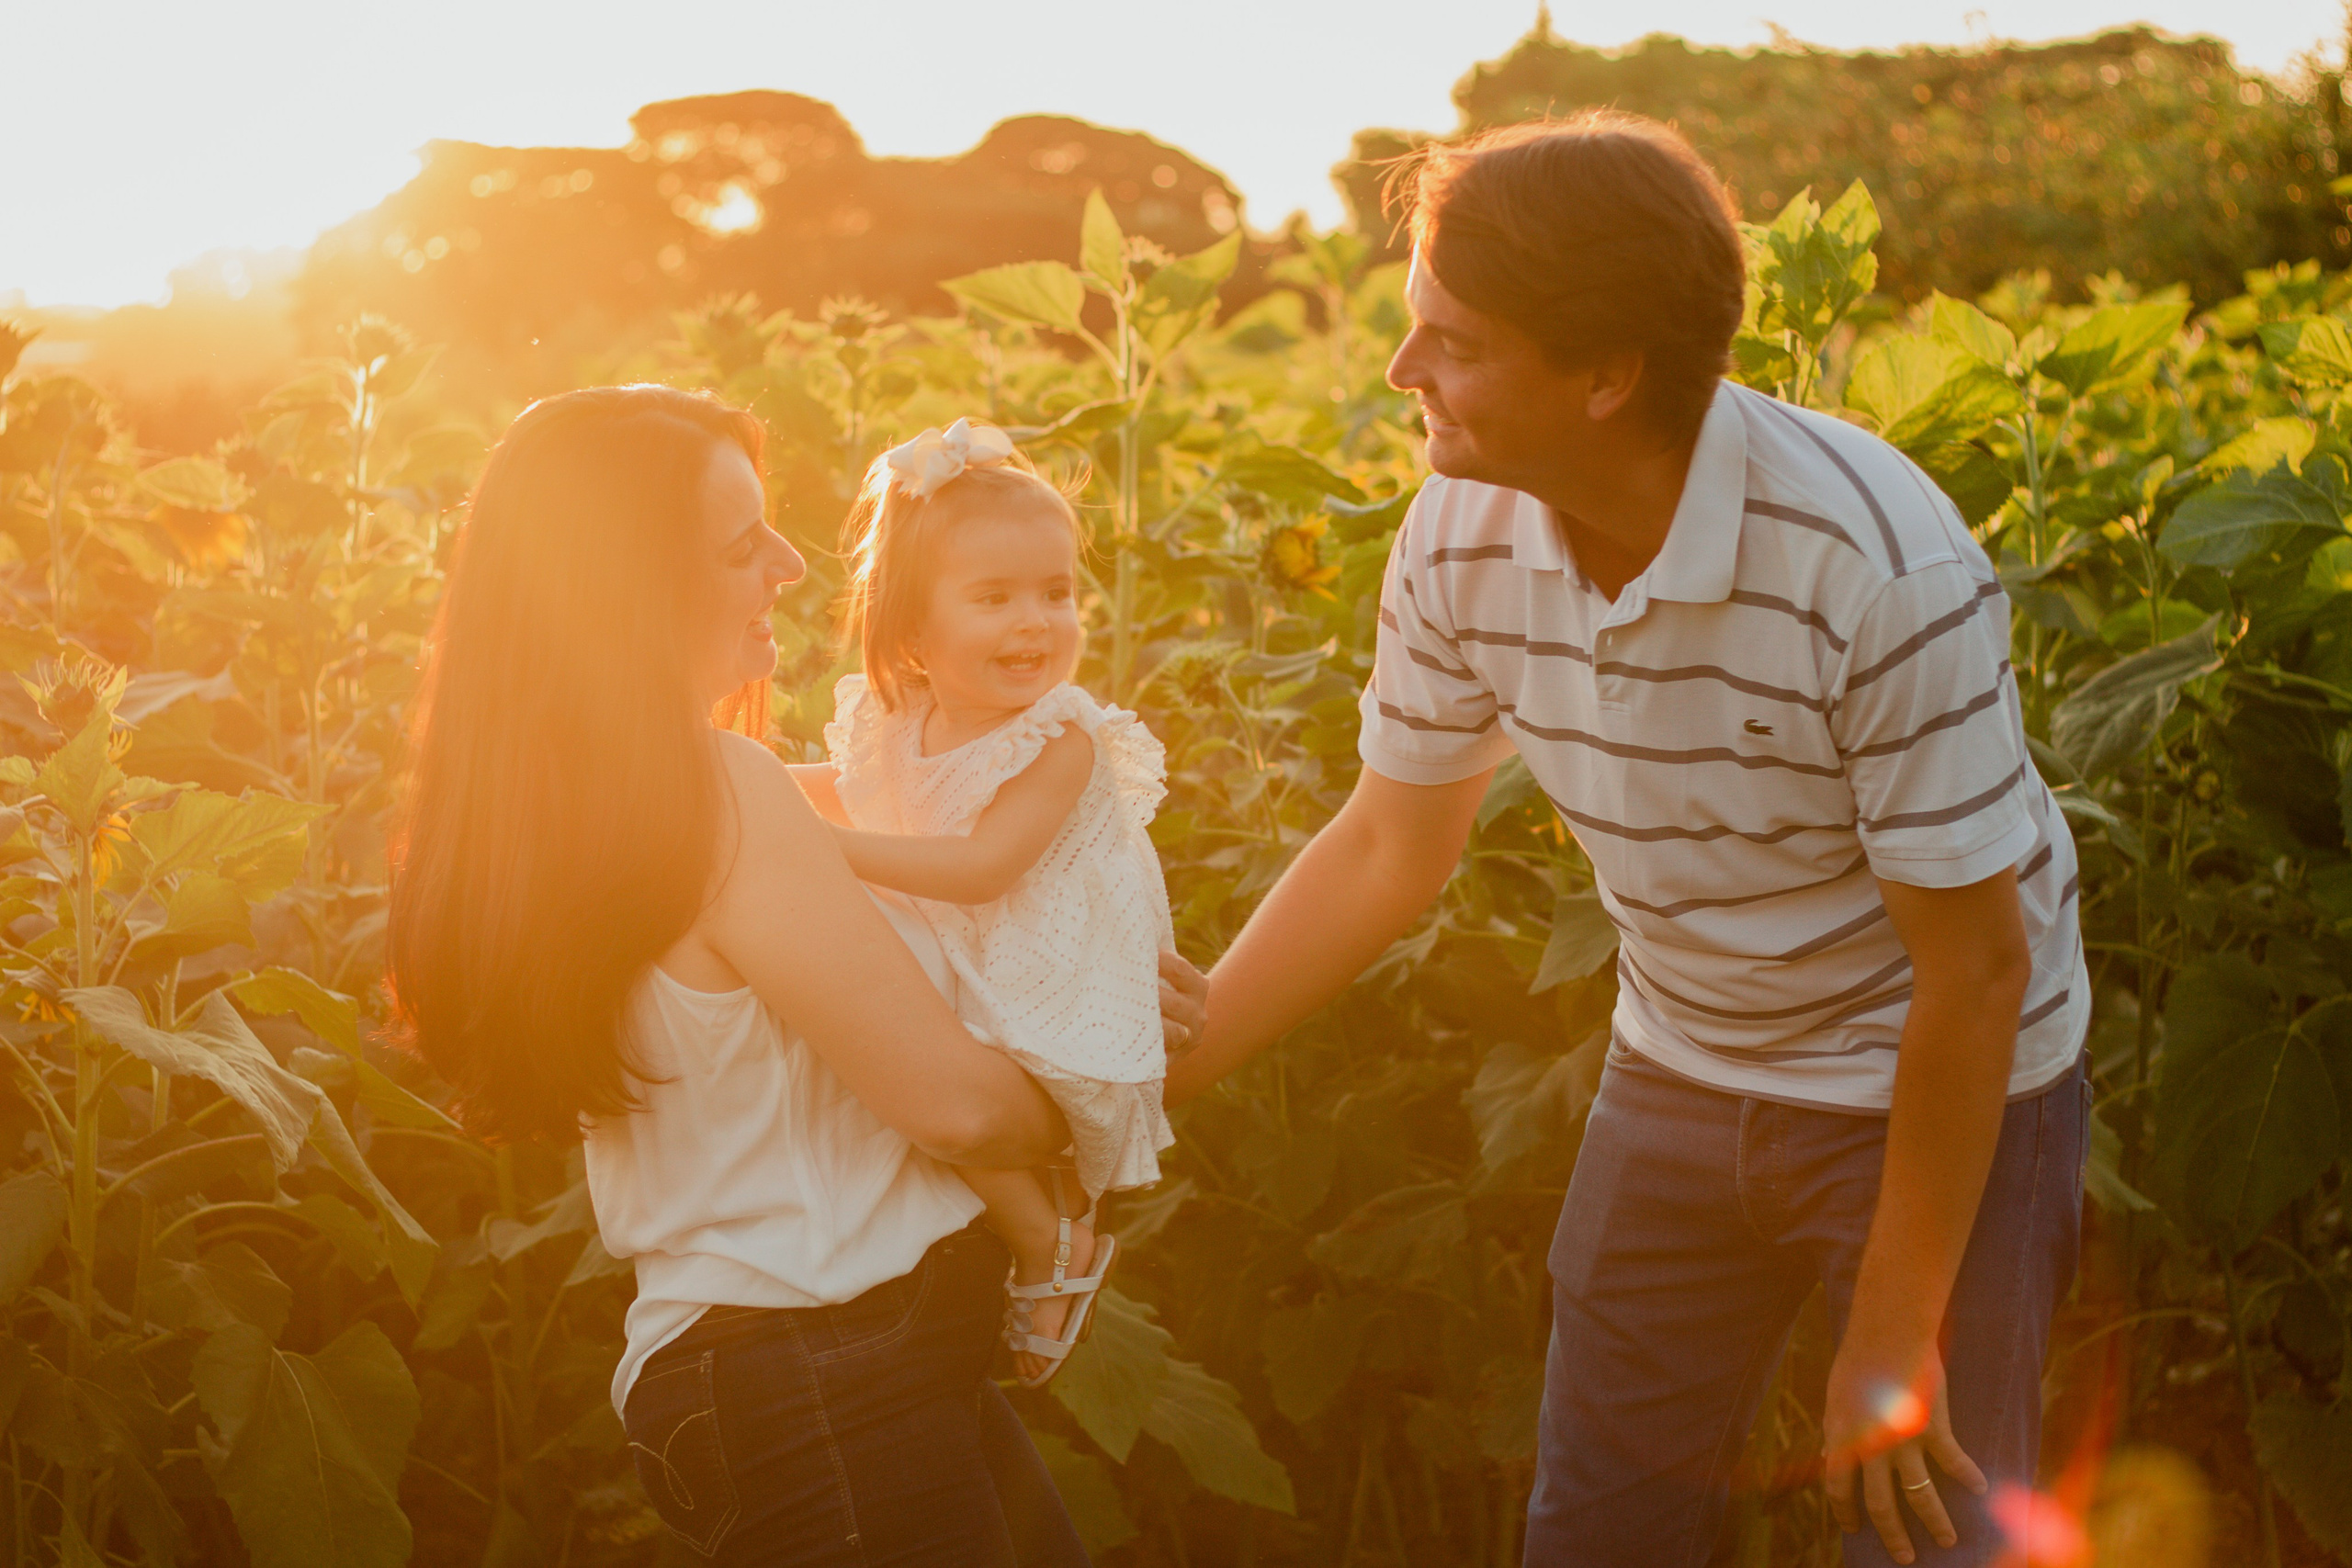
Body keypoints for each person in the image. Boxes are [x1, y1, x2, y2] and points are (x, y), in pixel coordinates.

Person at [1161, 113, 2088, 1568]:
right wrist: (1171, 1062)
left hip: (1938, 1081)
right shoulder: (1458, 532)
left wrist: (1893, 1332)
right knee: (1596, 1528)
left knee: (1926, 1530)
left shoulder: (1871, 561)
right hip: (1682, 1063)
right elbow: (1389, 847)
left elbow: (1973, 968)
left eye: (1452, 344)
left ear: (1607, 374)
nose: (1404, 374)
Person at [386, 384, 1188, 1566]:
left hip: (796, 1367)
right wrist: (1126, 1049)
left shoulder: (583, 802)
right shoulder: (712, 793)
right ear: (631, 588)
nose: (790, 562)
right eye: (740, 542)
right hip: (818, 1369)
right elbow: (958, 1104)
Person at [793, 417, 1175, 1387]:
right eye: (995, 598)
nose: (1036, 623)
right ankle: (1016, 1234)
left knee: (929, 1064)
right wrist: (749, 784)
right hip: (968, 941)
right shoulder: (898, 717)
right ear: (913, 630)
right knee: (894, 1037)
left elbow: (982, 868)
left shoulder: (1060, 737)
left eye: (1056, 593)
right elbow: (845, 786)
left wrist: (825, 854)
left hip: (1048, 957)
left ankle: (1051, 1242)